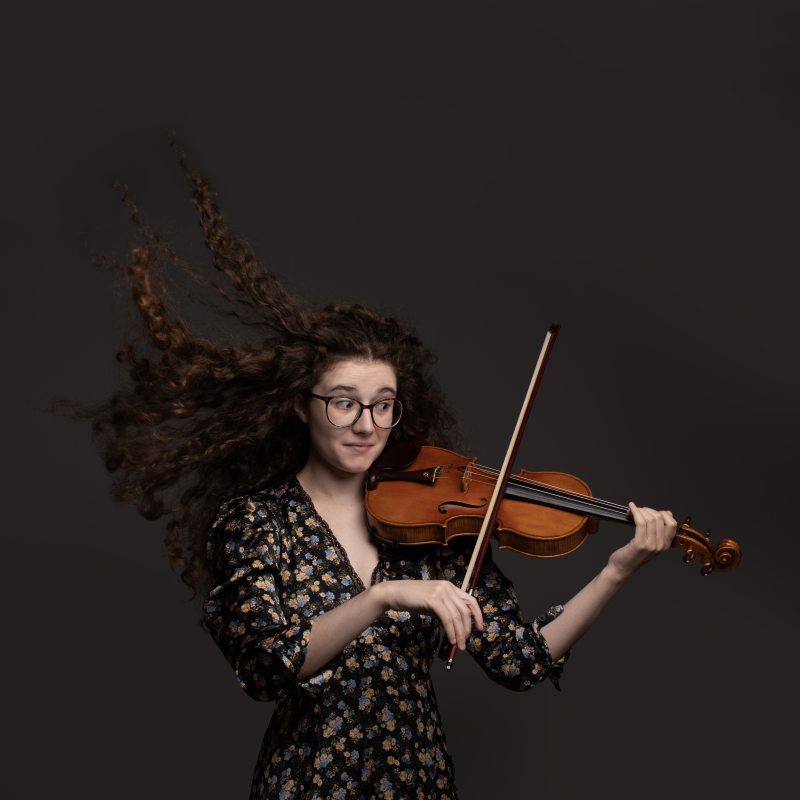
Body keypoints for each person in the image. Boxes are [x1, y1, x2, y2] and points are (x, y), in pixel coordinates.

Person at [77, 142, 677, 800]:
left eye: (383, 405)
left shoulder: (431, 526)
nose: (366, 424)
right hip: (309, 782)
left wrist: (617, 569)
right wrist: (382, 597)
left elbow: (519, 661)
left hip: (418, 781)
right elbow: (268, 667)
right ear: (302, 406)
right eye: (344, 403)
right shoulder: (256, 522)